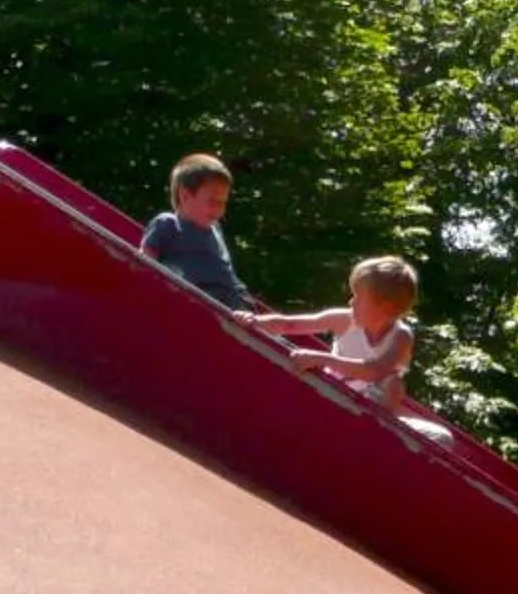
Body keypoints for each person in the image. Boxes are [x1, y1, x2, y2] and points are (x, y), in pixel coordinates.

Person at [239, 256, 427, 410]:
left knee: (393, 384)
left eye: (359, 298)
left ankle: (378, 435)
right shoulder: (344, 319)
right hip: (331, 389)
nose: (351, 303)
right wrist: (254, 321)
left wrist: (322, 359)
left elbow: (375, 370)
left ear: (384, 308)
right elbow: (290, 324)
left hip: (368, 407)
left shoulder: (401, 336)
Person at [139, 153, 250, 310]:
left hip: (231, 306)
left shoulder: (215, 229)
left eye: (223, 203)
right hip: (194, 303)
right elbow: (143, 265)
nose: (219, 209)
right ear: (184, 196)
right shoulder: (168, 224)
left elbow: (228, 274)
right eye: (213, 201)